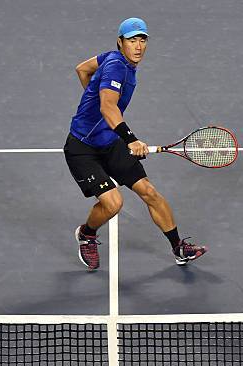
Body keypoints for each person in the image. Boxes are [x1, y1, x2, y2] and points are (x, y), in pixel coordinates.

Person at [64, 17, 206, 269]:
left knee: (149, 192)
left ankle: (179, 248)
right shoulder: (116, 67)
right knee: (113, 204)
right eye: (132, 40)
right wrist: (130, 138)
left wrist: (92, 98)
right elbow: (108, 105)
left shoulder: (112, 58)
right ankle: (86, 235)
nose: (138, 46)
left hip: (109, 142)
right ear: (120, 42)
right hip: (82, 148)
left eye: (142, 39)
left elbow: (82, 69)